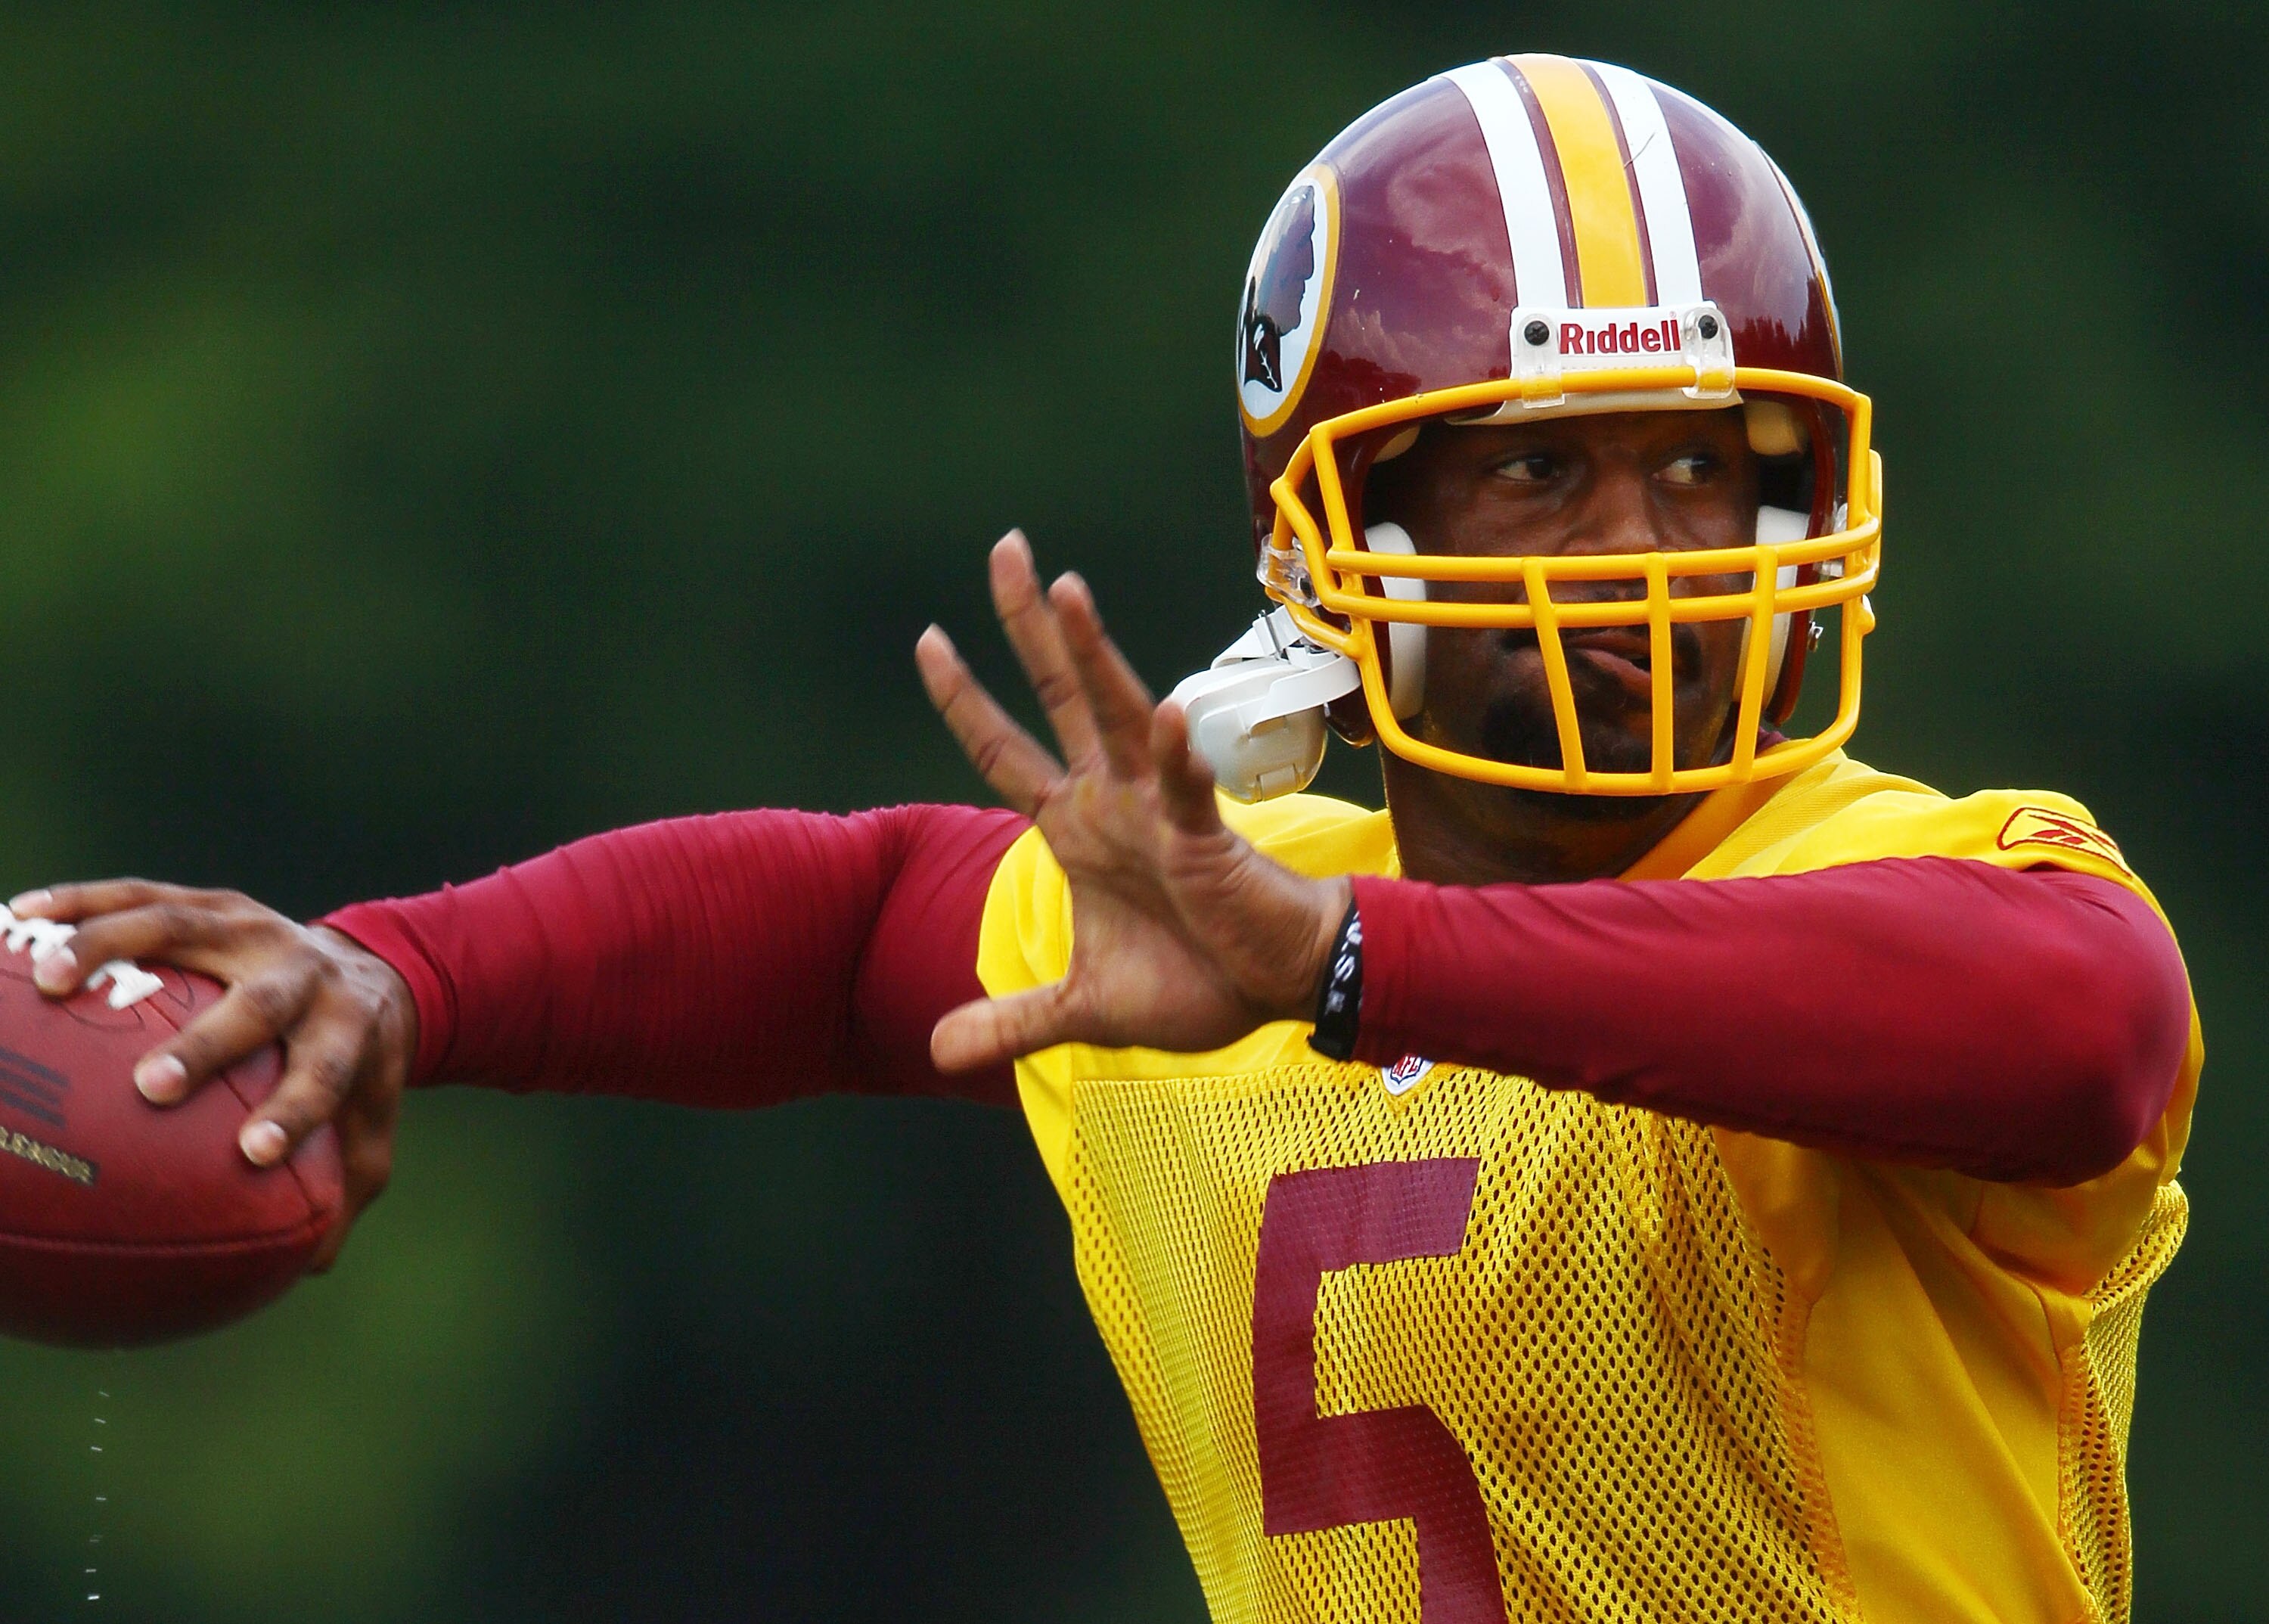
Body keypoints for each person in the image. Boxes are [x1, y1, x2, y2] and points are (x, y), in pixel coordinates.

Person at [11, 54, 2197, 1624]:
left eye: (1704, 468)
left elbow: (2083, 1029)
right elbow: (850, 916)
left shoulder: (1874, 880)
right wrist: (407, 975)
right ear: (1345, 535)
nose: (1644, 547)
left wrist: (1348, 964)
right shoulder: (1226, 915)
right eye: (1541, 471)